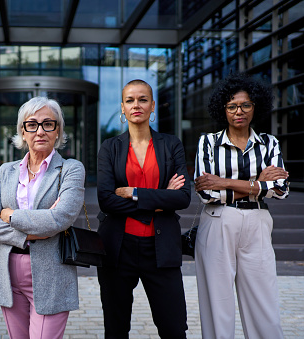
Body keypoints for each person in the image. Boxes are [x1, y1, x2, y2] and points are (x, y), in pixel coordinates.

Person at [194, 73, 289, 339]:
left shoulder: (269, 143)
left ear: (255, 106)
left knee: (264, 301)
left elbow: (281, 189)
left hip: (258, 222)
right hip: (218, 221)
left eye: (246, 105)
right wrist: (257, 184)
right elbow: (208, 193)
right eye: (232, 106)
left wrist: (226, 181)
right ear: (222, 109)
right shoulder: (208, 143)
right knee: (217, 304)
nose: (239, 111)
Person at [0, 96, 85, 339]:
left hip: (51, 271)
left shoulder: (71, 169)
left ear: (58, 130)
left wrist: (10, 216)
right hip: (7, 272)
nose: (40, 131)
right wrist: (33, 229)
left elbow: (59, 220)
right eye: (32, 124)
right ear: (22, 131)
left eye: (48, 123)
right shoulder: (6, 170)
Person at [96, 79, 191, 338]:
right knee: (116, 330)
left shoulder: (171, 145)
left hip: (162, 249)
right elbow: (106, 200)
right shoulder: (110, 147)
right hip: (118, 249)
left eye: (142, 99)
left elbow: (182, 197)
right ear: (123, 109)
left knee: (174, 329)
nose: (136, 105)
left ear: (153, 106)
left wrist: (136, 193)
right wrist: (160, 200)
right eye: (130, 100)